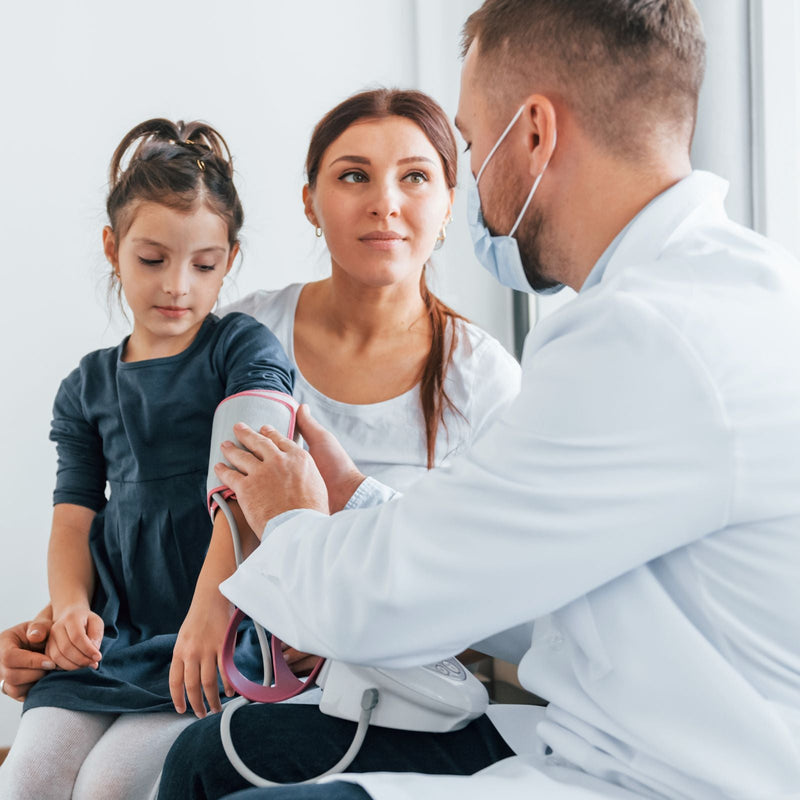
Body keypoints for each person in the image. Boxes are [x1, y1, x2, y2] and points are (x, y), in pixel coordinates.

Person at [160, 1, 800, 799]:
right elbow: (537, 584)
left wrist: (292, 517)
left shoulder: (640, 338)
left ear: (532, 133)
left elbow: (389, 603)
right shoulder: (730, 293)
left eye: (467, 144)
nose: (389, 203)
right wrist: (356, 496)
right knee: (210, 761)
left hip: (662, 777)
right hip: (616, 744)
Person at [0, 89, 522, 792]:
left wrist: (327, 622)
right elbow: (147, 504)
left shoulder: (483, 379)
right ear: (310, 201)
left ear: (450, 202)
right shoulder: (237, 331)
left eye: (416, 177)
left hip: (366, 681)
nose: (385, 203)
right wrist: (65, 617)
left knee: (141, 776)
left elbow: (497, 583)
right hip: (216, 647)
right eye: (354, 175)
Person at [0, 118, 296, 800]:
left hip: (217, 627)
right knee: (28, 780)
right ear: (113, 248)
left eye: (204, 265)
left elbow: (248, 485)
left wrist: (211, 614)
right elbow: (74, 517)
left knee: (110, 787)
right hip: (114, 634)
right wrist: (70, 610)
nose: (178, 286)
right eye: (153, 260)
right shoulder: (85, 385)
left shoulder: (242, 350)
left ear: (230, 259)